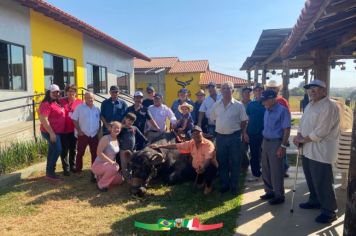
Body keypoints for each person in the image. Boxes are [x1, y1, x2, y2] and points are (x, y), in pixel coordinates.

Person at [293, 79, 339, 224]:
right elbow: (302, 124)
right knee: (311, 178)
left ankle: (330, 211)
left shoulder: (329, 106)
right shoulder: (310, 105)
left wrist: (302, 139)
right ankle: (314, 200)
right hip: (308, 149)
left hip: (321, 151)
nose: (311, 91)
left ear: (324, 91)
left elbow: (321, 132)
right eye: (309, 88)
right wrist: (298, 136)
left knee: (323, 181)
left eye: (315, 88)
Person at [150, 126, 218, 195]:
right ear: (192, 136)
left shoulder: (209, 145)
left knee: (210, 169)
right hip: (196, 168)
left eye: (198, 133)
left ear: (202, 134)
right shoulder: (191, 143)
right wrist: (160, 146)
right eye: (194, 134)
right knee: (186, 175)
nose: (196, 135)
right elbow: (176, 146)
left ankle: (209, 185)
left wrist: (203, 167)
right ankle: (201, 181)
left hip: (206, 167)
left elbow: (208, 159)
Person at [211, 81, 248, 195]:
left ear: (233, 90)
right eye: (224, 88)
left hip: (234, 137)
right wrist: (224, 127)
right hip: (221, 138)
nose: (226, 90)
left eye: (229, 88)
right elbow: (214, 119)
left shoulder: (239, 105)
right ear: (221, 91)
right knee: (222, 162)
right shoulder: (216, 105)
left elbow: (244, 121)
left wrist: (238, 131)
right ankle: (224, 185)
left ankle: (234, 186)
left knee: (236, 162)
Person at [259, 89, 291, 205]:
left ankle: (279, 195)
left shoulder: (282, 111)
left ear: (272, 99)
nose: (263, 103)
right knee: (266, 168)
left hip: (276, 142)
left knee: (276, 170)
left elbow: (287, 129)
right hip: (266, 142)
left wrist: (282, 146)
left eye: (265, 100)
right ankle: (269, 192)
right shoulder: (267, 110)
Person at [38, 84, 65, 182]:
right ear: (49, 92)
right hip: (50, 132)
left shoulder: (56, 102)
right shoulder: (46, 104)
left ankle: (48, 172)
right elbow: (43, 119)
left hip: (56, 132)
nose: (56, 93)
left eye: (58, 92)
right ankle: (51, 173)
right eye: (53, 92)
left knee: (52, 151)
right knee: (58, 150)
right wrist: (51, 133)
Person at [71, 92, 101, 178]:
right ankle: (78, 170)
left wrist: (98, 132)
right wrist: (79, 130)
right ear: (85, 99)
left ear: (94, 98)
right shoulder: (80, 108)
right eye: (88, 98)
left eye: (91, 98)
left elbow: (99, 121)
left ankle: (94, 170)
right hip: (83, 134)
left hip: (94, 135)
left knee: (95, 154)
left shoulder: (97, 109)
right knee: (80, 153)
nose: (90, 99)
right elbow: (74, 119)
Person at [265, 80, 291, 177]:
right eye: (270, 88)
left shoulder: (282, 101)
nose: (272, 90)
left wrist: (285, 136)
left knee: (281, 154)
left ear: (277, 89)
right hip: (269, 133)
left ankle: (283, 170)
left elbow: (287, 118)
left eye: (274, 88)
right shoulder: (266, 100)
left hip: (279, 134)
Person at [91, 121, 124, 192]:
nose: (117, 129)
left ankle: (101, 177)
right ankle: (101, 185)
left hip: (108, 166)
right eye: (115, 127)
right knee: (115, 167)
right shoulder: (106, 138)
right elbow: (99, 153)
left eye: (118, 128)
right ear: (110, 128)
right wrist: (111, 162)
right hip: (98, 165)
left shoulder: (117, 140)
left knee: (120, 180)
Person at [59, 85, 82, 175]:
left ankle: (73, 165)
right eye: (69, 91)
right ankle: (66, 168)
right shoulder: (61, 101)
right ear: (66, 92)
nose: (71, 93)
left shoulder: (80, 102)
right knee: (64, 150)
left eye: (73, 91)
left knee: (73, 148)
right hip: (63, 129)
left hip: (74, 129)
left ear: (75, 92)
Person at [245, 83, 265, 181]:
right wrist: (245, 132)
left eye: (260, 90)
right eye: (256, 90)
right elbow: (247, 119)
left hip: (265, 133)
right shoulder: (250, 104)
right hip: (252, 132)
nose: (258, 92)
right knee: (254, 154)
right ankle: (256, 174)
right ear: (254, 92)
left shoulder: (266, 103)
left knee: (265, 154)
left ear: (263, 91)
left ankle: (266, 173)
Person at [119, 112, 147, 179]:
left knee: (132, 163)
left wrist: (147, 141)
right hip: (123, 150)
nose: (130, 122)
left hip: (133, 150)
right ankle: (126, 178)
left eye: (132, 121)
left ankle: (131, 176)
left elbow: (141, 136)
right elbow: (116, 137)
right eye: (129, 120)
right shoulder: (121, 128)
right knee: (124, 164)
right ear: (125, 119)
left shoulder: (134, 128)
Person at [240, 86, 252, 171]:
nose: (247, 94)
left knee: (255, 150)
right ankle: (245, 165)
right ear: (242, 94)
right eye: (245, 92)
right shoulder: (238, 104)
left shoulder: (254, 103)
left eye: (249, 92)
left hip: (253, 129)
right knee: (243, 149)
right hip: (242, 129)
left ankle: (256, 165)